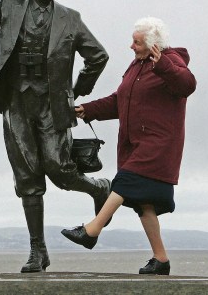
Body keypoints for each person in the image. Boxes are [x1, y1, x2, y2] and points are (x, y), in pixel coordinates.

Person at [0, 0, 111, 273]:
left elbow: (98, 55)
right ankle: (37, 251)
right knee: (27, 178)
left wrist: (78, 90)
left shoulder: (70, 18)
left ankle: (99, 188)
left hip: (51, 105)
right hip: (16, 102)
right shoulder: (10, 7)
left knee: (60, 170)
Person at [61, 17, 196, 276]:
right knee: (144, 204)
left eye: (136, 42)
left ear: (153, 44)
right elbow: (119, 101)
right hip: (135, 142)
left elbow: (187, 85)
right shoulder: (137, 66)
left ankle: (92, 230)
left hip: (159, 143)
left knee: (124, 181)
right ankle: (161, 260)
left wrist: (163, 64)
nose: (131, 46)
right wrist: (87, 109)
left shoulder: (172, 60)